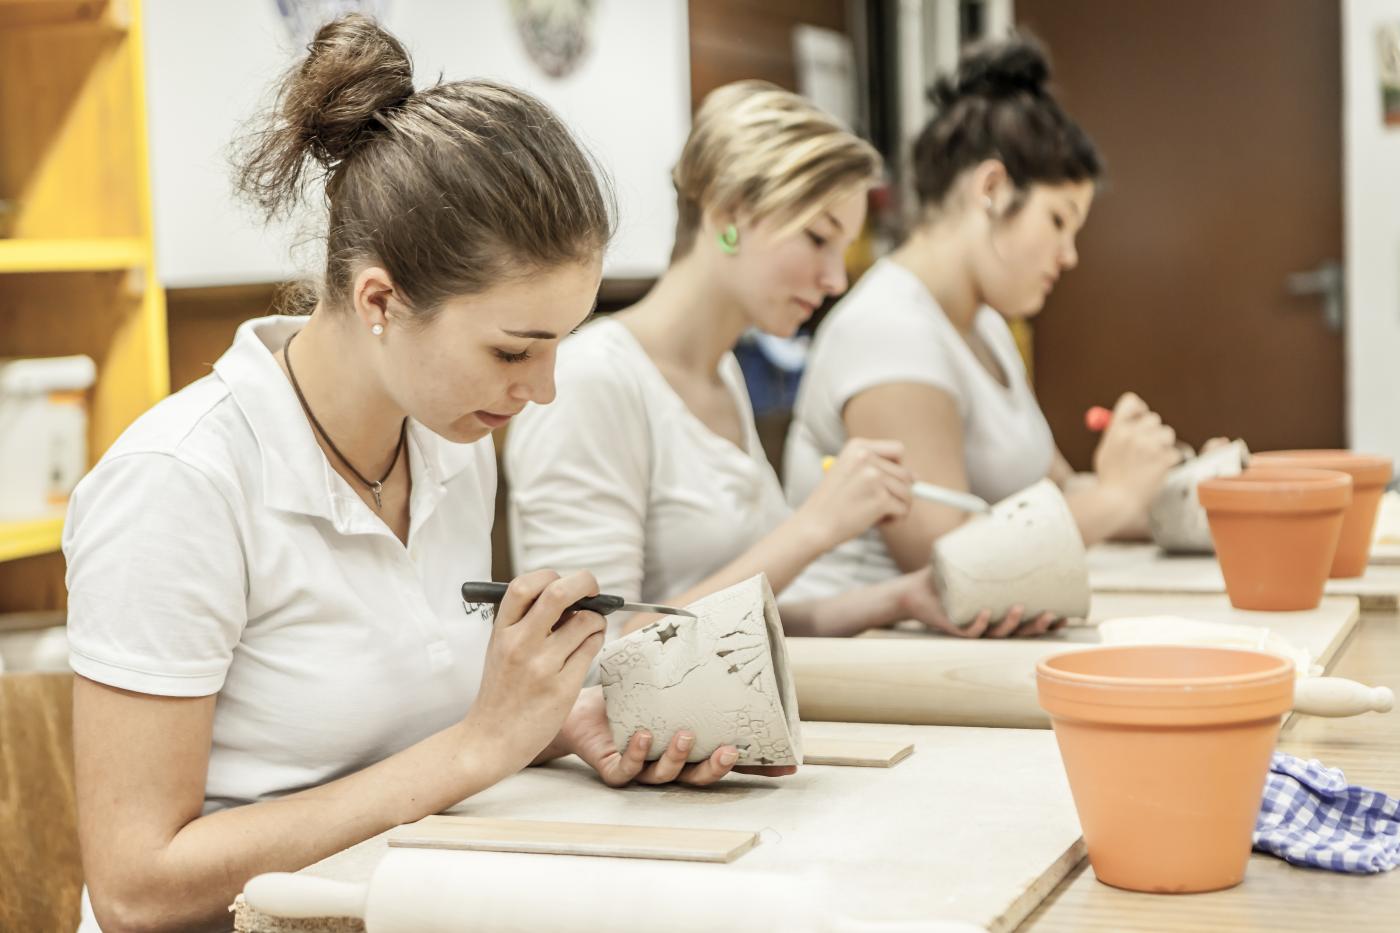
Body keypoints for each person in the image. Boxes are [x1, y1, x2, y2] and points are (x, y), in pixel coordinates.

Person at [63, 18, 779, 933]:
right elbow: (135, 888)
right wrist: (479, 748)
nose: (546, 389)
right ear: (379, 301)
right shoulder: (180, 484)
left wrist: (560, 724)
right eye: (515, 348)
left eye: (559, 343)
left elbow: (401, 735)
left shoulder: (449, 442)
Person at [507, 80, 1057, 640]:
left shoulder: (720, 374)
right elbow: (594, 656)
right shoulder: (591, 379)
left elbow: (744, 615)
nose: (836, 279)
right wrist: (816, 527)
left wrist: (902, 598)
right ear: (727, 216)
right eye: (819, 239)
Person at [783, 35, 1181, 600]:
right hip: (879, 651)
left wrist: (1178, 486)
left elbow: (1058, 494)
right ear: (992, 189)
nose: (1069, 256)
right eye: (1059, 221)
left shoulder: (985, 327)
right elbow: (954, 566)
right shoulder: (888, 329)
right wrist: (1116, 497)